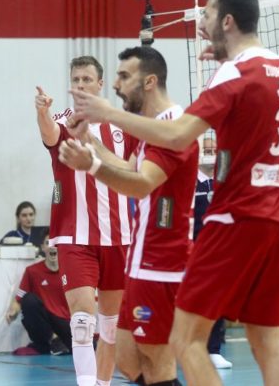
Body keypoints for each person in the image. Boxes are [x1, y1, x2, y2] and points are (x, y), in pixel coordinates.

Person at [71, 0, 279, 386]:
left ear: (227, 21)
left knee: (186, 341)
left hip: (233, 218)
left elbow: (179, 136)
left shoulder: (233, 74)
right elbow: (267, 120)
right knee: (267, 343)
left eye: (208, 14)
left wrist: (106, 114)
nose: (201, 22)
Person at [59, 46, 198, 386]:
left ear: (149, 82)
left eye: (124, 76)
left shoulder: (172, 127)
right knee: (127, 357)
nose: (116, 85)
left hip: (163, 259)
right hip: (141, 255)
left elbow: (140, 185)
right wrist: (90, 142)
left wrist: (91, 166)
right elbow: (127, 168)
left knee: (157, 360)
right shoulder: (152, 128)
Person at [36, 55, 134, 386]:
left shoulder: (121, 125)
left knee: (110, 327)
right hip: (74, 235)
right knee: (81, 322)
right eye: (76, 79)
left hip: (119, 235)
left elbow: (136, 169)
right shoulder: (62, 120)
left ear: (100, 84)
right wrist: (42, 113)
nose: (80, 85)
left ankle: (102, 383)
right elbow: (50, 135)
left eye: (86, 79)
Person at [192, 138, 232, 370]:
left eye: (213, 150)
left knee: (215, 300)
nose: (210, 153)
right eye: (206, 150)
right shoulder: (190, 181)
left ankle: (213, 350)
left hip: (216, 251)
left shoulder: (223, 181)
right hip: (189, 250)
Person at [6, 234, 71, 356]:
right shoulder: (32, 271)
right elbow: (19, 299)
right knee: (29, 299)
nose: (52, 247)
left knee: (89, 344)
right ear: (42, 247)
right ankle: (54, 340)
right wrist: (13, 311)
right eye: (48, 243)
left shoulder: (71, 271)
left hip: (64, 323)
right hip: (43, 325)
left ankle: (54, 345)